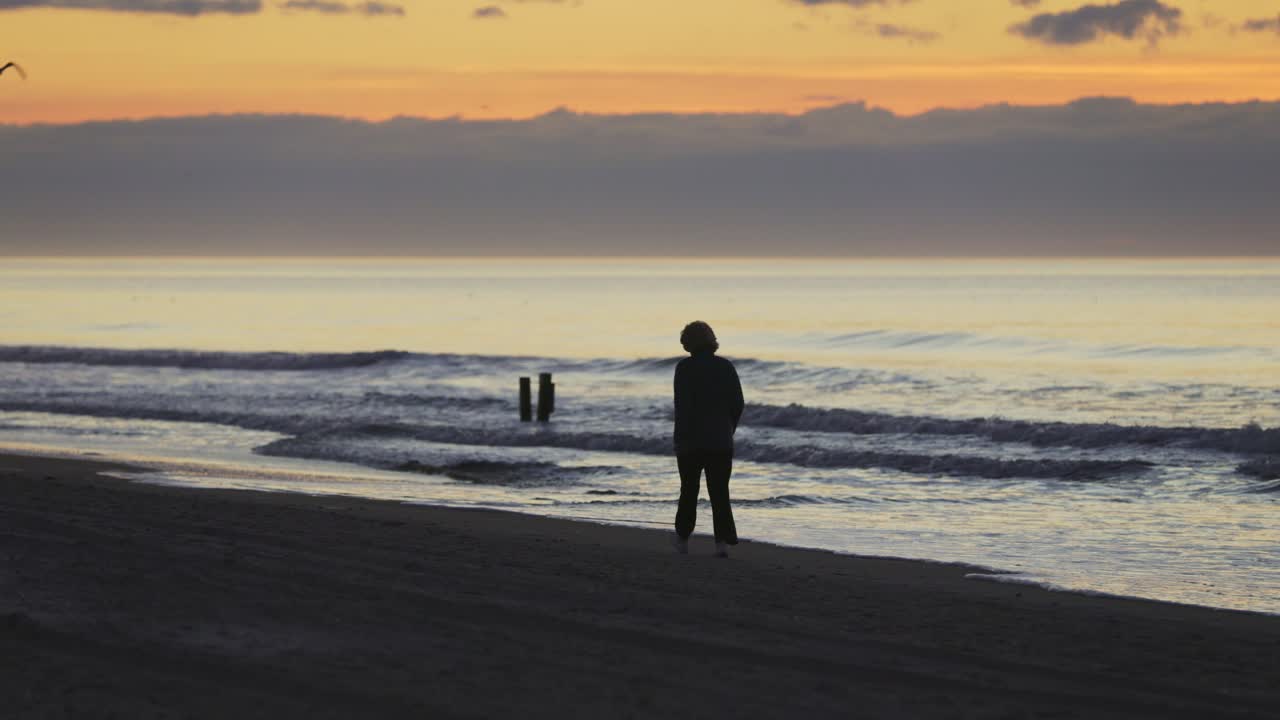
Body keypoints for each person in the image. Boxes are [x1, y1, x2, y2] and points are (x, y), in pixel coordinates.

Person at [672, 321, 743, 558]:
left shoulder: (684, 368)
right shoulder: (725, 367)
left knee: (688, 490)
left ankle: (683, 539)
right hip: (720, 439)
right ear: (711, 340)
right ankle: (721, 544)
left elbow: (681, 407)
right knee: (720, 492)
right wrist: (728, 428)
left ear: (687, 343)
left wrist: (679, 438)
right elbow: (738, 403)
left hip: (690, 440)